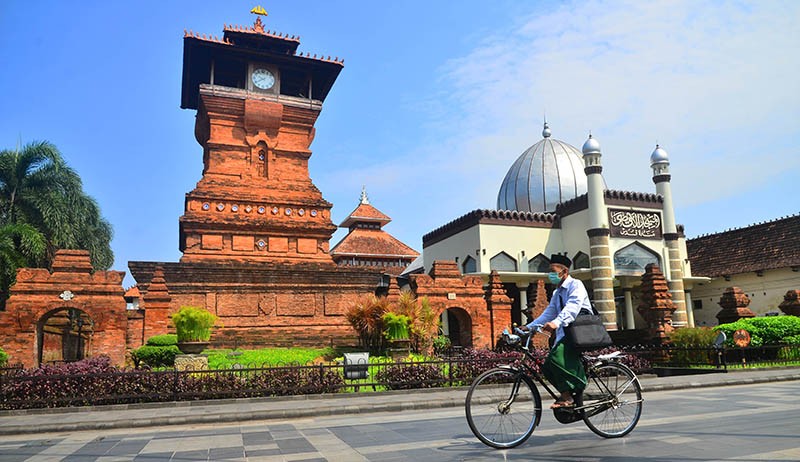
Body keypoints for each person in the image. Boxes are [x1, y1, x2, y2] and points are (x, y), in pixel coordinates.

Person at [521, 254, 591, 409]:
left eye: (553, 270)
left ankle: (578, 385)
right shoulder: (557, 292)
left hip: (579, 331)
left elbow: (572, 307)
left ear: (564, 271)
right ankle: (567, 395)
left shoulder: (576, 285)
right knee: (546, 366)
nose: (550, 275)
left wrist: (556, 323)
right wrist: (529, 326)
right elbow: (549, 313)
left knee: (556, 358)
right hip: (565, 333)